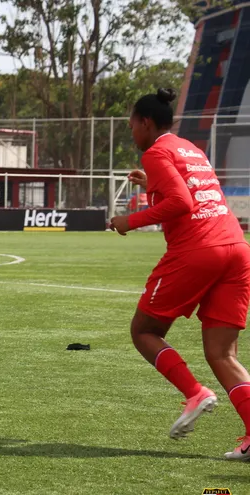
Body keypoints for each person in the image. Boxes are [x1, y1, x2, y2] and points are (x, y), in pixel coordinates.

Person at [109, 88, 250, 460]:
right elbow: (194, 191)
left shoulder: (155, 152)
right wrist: (149, 185)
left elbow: (181, 203)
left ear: (145, 122)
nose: (131, 132)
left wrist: (129, 221)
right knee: (223, 353)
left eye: (131, 125)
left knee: (144, 331)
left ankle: (195, 392)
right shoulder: (190, 149)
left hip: (198, 250)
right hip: (236, 247)